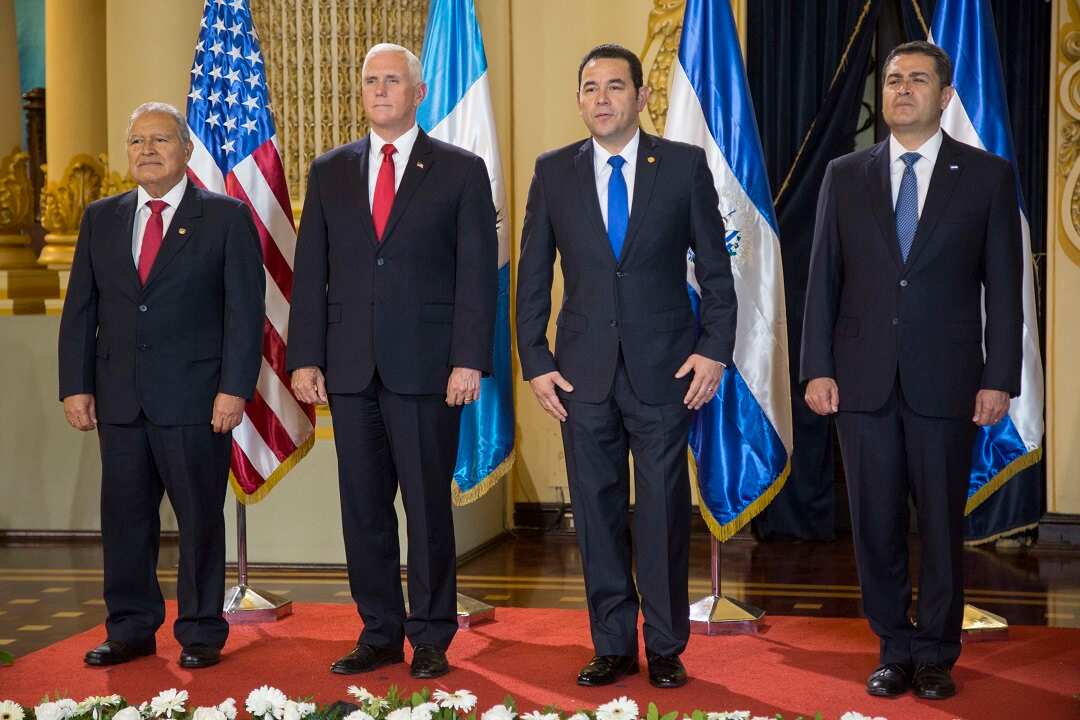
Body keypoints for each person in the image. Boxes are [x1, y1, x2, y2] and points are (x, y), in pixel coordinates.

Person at [801, 41, 1022, 700]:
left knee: (941, 526)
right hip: (861, 382)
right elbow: (822, 282)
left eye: (917, 79)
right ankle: (894, 648)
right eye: (893, 79)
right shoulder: (845, 174)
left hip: (949, 381)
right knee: (874, 524)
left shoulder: (986, 177)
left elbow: (1005, 291)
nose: (902, 89)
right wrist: (816, 367)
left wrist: (999, 377)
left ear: (945, 95)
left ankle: (937, 653)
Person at [516, 43, 737, 689]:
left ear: (642, 97)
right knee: (597, 510)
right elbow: (533, 277)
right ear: (579, 99)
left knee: (665, 511)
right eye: (590, 87)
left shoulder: (683, 166)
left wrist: (714, 349)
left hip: (667, 371)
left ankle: (666, 646)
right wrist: (535, 360)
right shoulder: (554, 171)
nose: (602, 98)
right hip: (580, 375)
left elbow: (717, 275)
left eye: (615, 86)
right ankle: (612, 644)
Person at [286, 43, 497, 680]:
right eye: (371, 80)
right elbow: (311, 272)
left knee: (428, 507)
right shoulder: (329, 171)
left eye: (393, 80)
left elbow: (476, 277)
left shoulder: (460, 170)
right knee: (364, 507)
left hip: (429, 368)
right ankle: (378, 630)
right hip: (349, 371)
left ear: (419, 93)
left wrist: (469, 360)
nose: (380, 90)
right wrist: (305, 357)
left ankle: (431, 634)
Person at [58, 101, 265, 669]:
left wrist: (234, 389)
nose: (147, 150)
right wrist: (75, 385)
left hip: (197, 400)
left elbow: (245, 313)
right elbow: (81, 308)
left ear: (186, 149)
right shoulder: (102, 217)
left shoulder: (225, 217)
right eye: (137, 141)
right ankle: (129, 629)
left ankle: (200, 632)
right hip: (120, 399)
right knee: (125, 521)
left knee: (199, 520)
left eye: (160, 140)